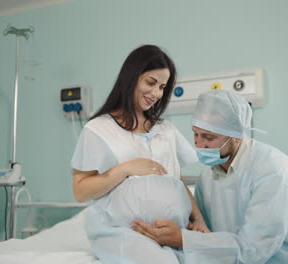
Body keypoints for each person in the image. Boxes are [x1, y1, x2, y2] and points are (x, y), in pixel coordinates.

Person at [131, 90, 288, 263]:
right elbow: (212, 238)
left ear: (236, 137)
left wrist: (182, 239)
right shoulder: (208, 178)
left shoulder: (273, 170)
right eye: (195, 134)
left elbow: (254, 250)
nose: (199, 144)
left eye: (209, 137)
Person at [71, 44, 207, 264]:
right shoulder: (98, 129)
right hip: (123, 232)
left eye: (162, 87)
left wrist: (198, 218)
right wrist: (125, 169)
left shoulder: (166, 130)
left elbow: (177, 180)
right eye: (150, 83)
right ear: (131, 77)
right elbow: (80, 191)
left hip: (172, 232)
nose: (156, 93)